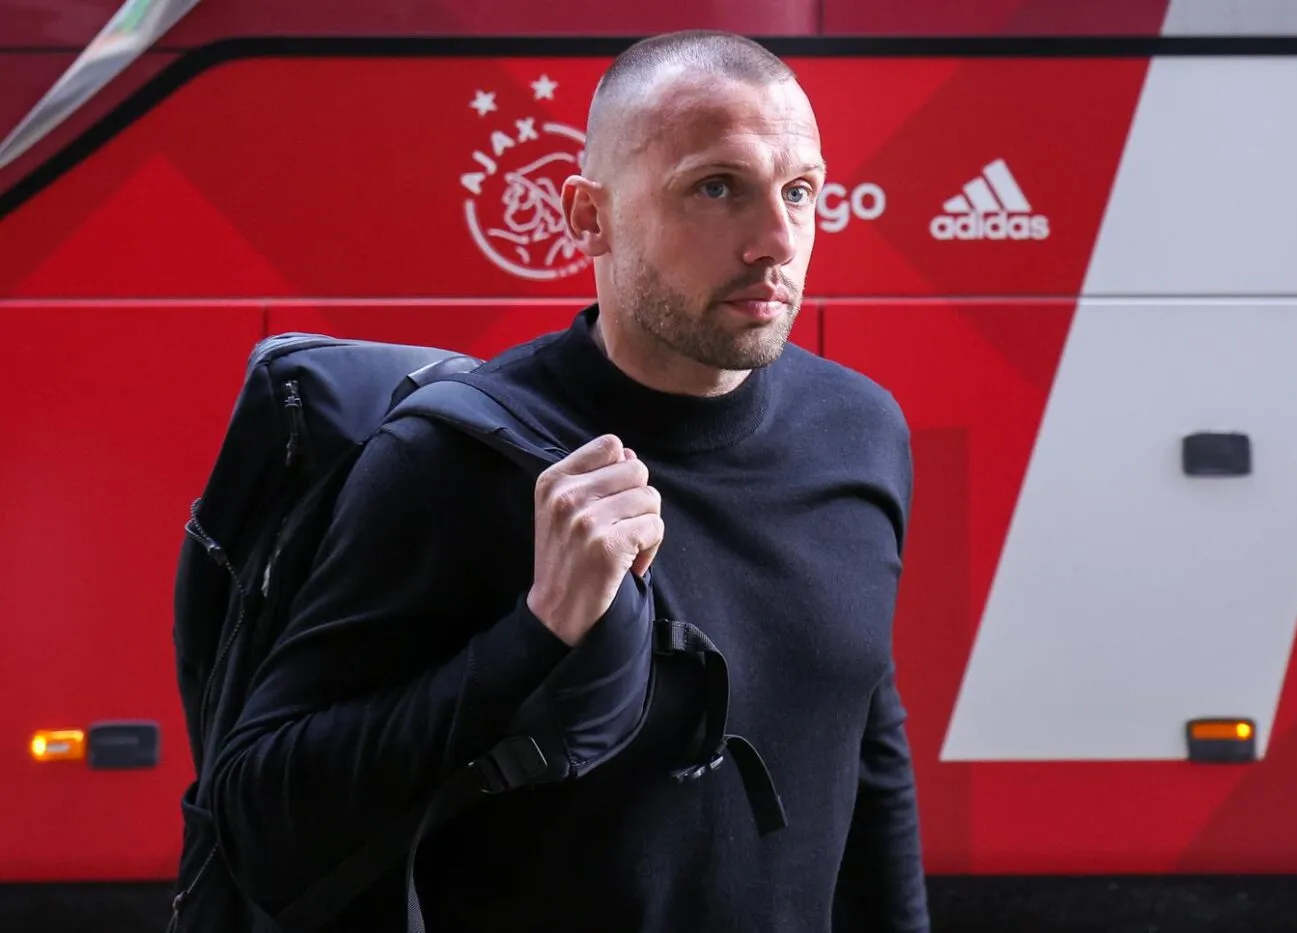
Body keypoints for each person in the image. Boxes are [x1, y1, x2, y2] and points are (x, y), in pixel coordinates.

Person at [209, 28, 930, 933]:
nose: (776, 242)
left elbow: (863, 739)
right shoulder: (452, 460)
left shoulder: (861, 430)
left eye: (800, 192)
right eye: (717, 188)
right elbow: (258, 814)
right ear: (589, 216)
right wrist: (539, 633)